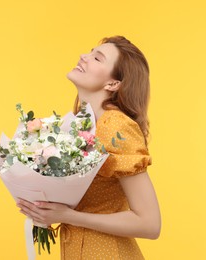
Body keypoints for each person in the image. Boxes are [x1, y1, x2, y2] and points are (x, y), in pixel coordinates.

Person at [16, 35, 161, 259]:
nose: (84, 56)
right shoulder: (78, 127)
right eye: (90, 52)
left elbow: (150, 223)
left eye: (97, 58)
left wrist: (68, 216)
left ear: (113, 84)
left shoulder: (117, 127)